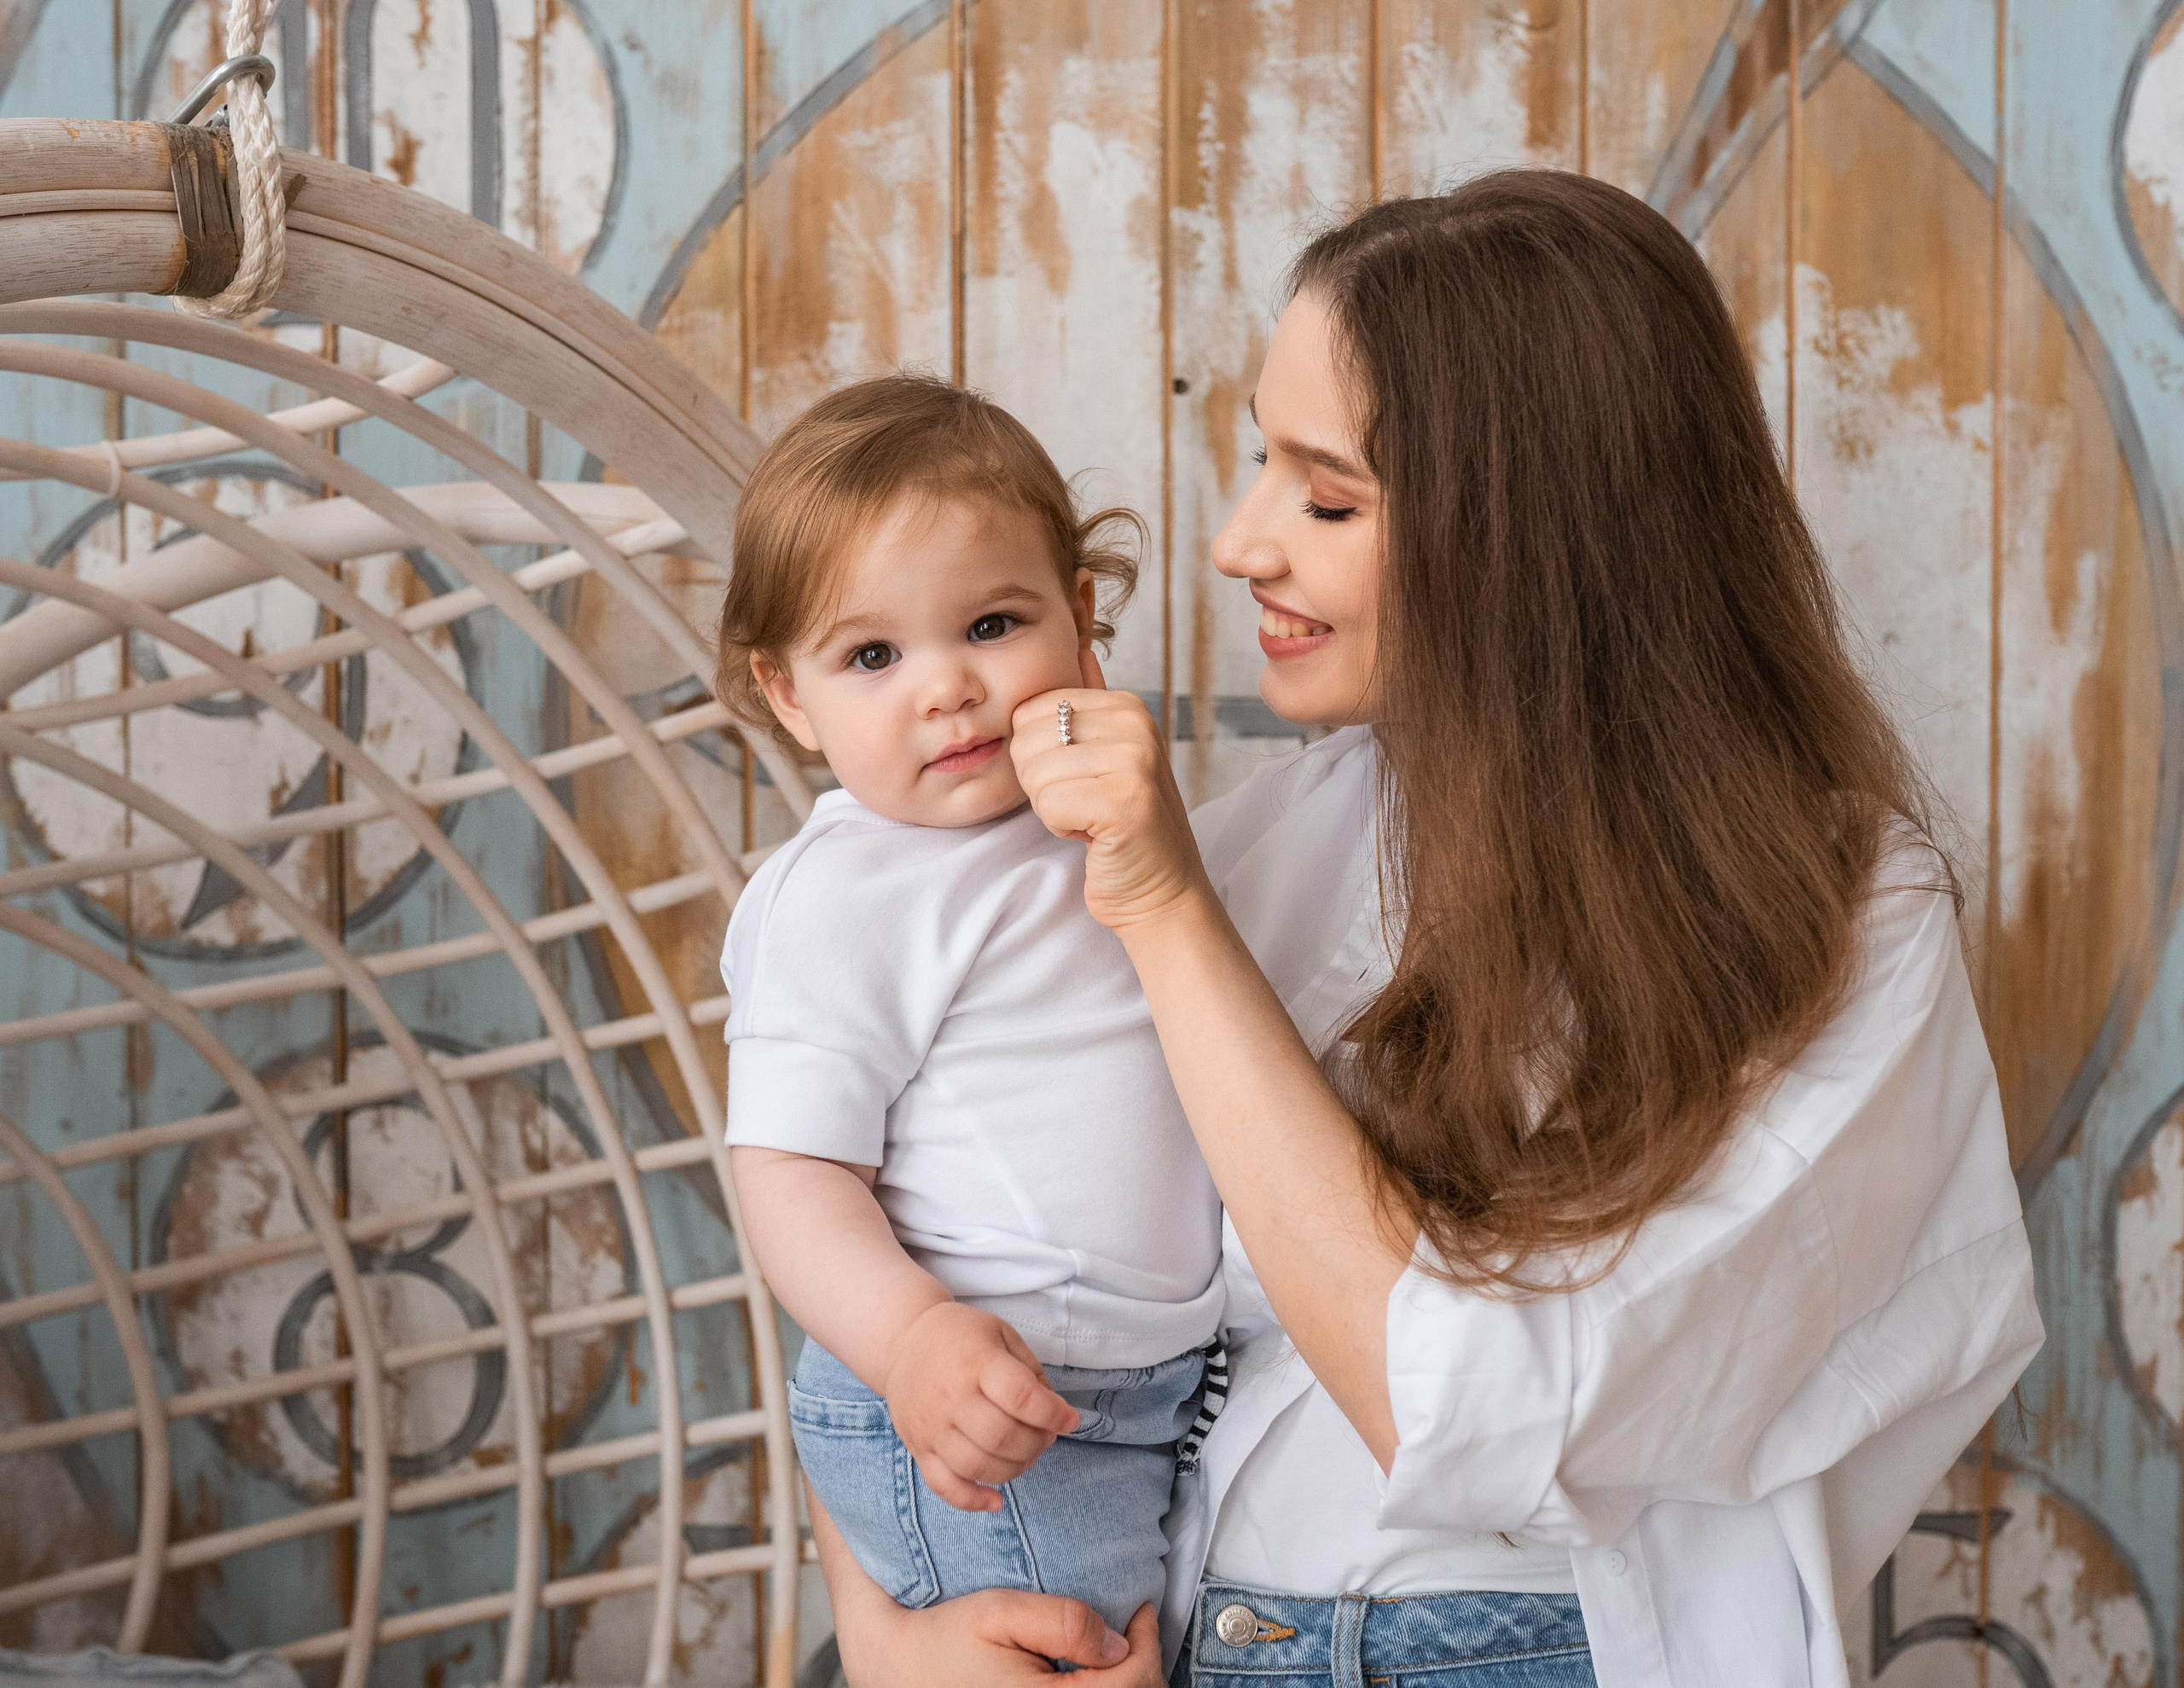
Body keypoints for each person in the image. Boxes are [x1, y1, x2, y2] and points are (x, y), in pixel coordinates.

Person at [805, 171, 2043, 1687]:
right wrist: (892, 1630)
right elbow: (925, 1247)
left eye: (1328, 497)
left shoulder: (1841, 923)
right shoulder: (1261, 840)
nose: (1241, 545)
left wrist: (1170, 916)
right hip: (1178, 1638)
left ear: (1537, 539)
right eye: (1261, 463)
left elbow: (1477, 1407)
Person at [716, 374, 1223, 1639]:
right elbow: (786, 1173)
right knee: (1065, 1660)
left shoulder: (1095, 826)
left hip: (1140, 1394)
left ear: (1082, 613)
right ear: (789, 696)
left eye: (994, 625)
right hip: (980, 1398)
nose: (946, 688)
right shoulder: (847, 894)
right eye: (874, 655)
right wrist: (910, 1343)